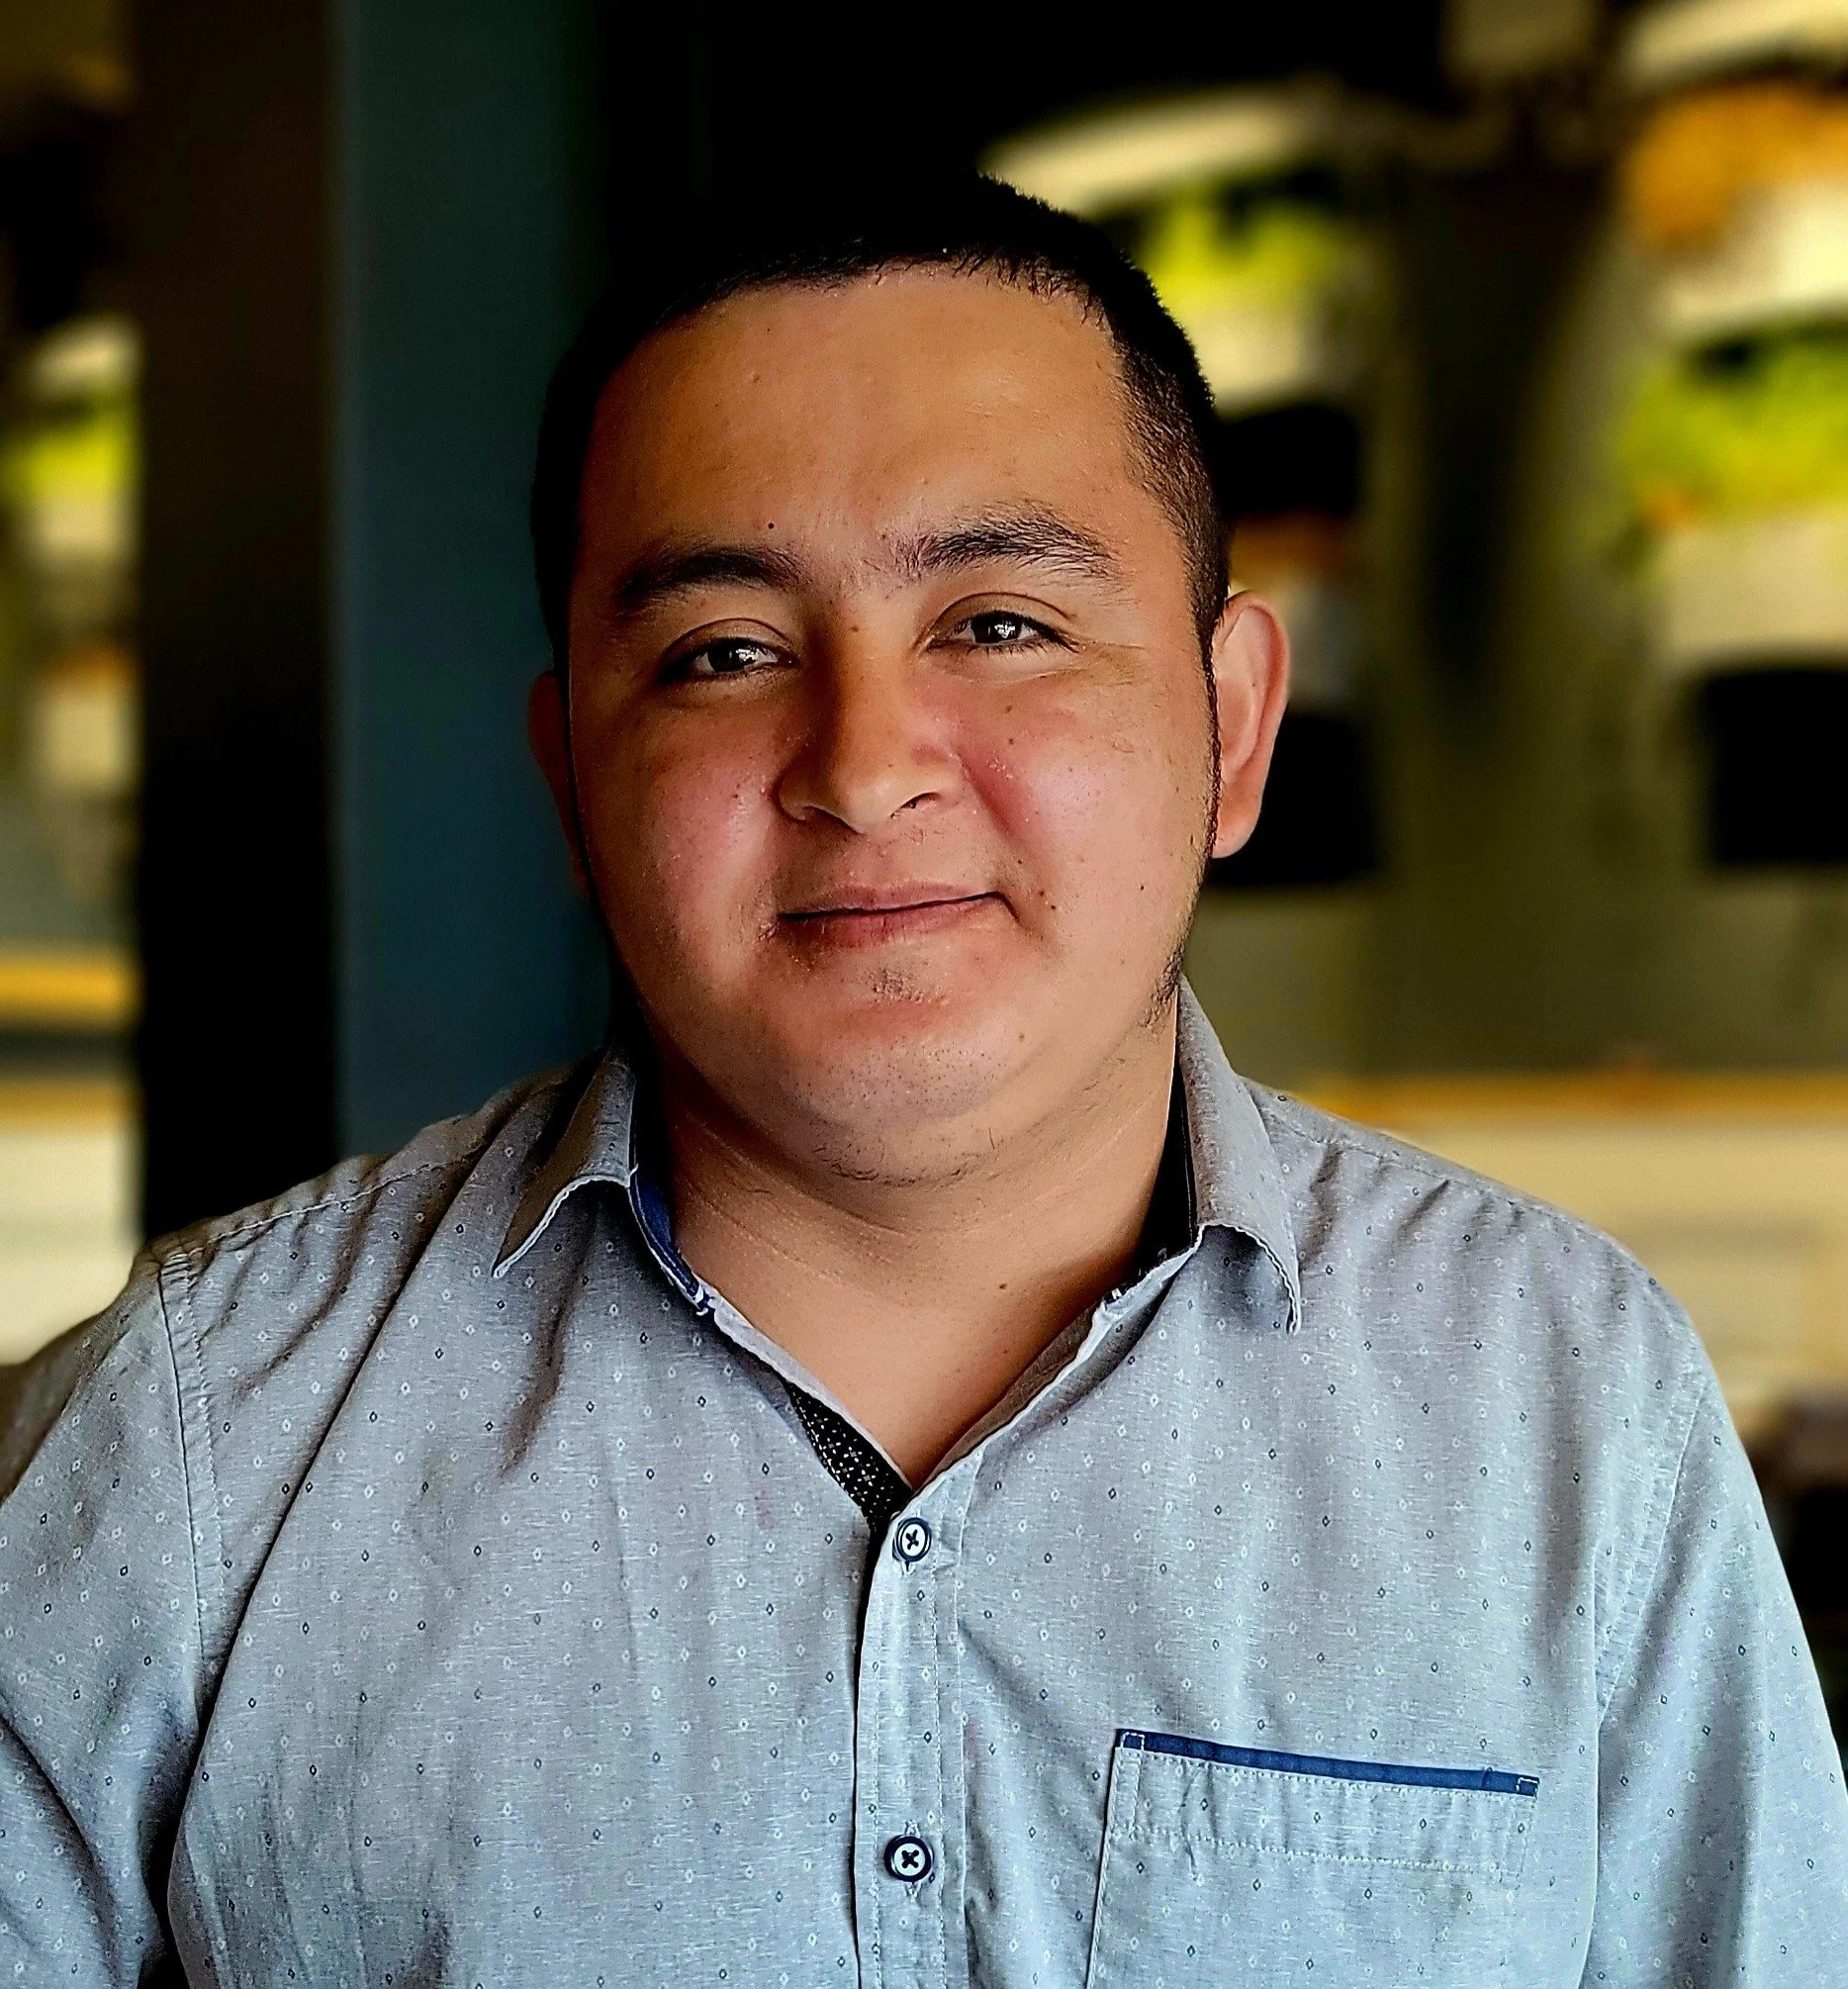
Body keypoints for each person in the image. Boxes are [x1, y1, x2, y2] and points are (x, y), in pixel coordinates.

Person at [1, 175, 1843, 1988]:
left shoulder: (1570, 1404)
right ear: (571, 780)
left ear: (1233, 725)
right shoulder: (193, 1445)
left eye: (1000, 623)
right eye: (724, 653)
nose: (865, 766)